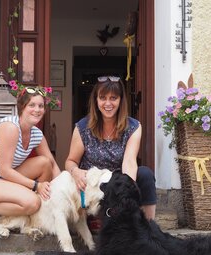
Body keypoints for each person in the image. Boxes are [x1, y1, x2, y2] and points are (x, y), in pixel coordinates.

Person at [0, 86, 61, 229]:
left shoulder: (36, 134)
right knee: (33, 202)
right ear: (22, 107)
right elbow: (5, 171)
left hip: (0, 179)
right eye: (32, 105)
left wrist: (64, 189)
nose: (37, 109)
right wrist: (36, 186)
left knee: (45, 163)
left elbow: (52, 166)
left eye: (41, 106)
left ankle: (35, 215)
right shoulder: (10, 128)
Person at [65, 76, 156, 222]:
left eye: (113, 98)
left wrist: (125, 191)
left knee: (145, 174)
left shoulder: (133, 126)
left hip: (117, 183)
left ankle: (148, 227)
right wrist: (75, 172)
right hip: (93, 185)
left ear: (120, 100)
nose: (108, 103)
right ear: (96, 100)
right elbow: (70, 161)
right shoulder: (82, 127)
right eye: (103, 98)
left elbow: (129, 161)